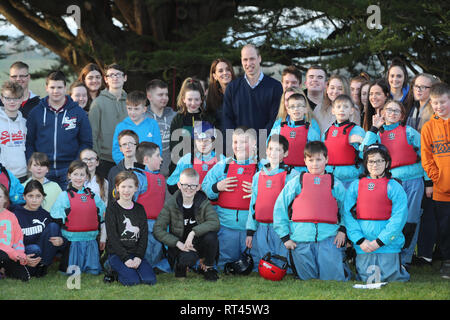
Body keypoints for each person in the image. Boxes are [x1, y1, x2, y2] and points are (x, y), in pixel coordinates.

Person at [361, 100, 428, 268]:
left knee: (411, 219)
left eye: (396, 111)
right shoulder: (377, 134)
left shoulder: (409, 132)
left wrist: (428, 181)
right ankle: (391, 254)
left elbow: (426, 155)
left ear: (402, 115)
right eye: (389, 110)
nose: (392, 113)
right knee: (391, 219)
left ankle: (405, 258)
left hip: (412, 181)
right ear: (383, 112)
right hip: (388, 183)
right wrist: (374, 128)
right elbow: (363, 149)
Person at [273, 141, 350, 281]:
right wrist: (285, 237)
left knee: (333, 279)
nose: (315, 164)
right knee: (307, 280)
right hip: (301, 239)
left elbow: (347, 209)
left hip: (328, 238)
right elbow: (280, 207)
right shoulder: (297, 182)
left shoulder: (335, 184)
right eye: (311, 160)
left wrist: (343, 230)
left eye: (319, 159)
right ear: (305, 161)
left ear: (326, 160)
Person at [343, 144, 410, 283]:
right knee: (367, 278)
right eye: (371, 161)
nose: (375, 165)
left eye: (380, 161)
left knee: (392, 278)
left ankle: (400, 266)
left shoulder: (394, 187)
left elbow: (399, 218)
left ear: (387, 163)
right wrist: (360, 240)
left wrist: (380, 241)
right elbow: (347, 214)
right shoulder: (356, 186)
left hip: (387, 244)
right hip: (364, 245)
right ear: (366, 163)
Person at [202, 127, 261, 270]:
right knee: (225, 264)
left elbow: (275, 194)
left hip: (253, 228)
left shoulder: (262, 167)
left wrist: (258, 192)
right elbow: (205, 187)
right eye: (235, 142)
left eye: (244, 142)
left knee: (254, 266)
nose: (239, 146)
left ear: (254, 144)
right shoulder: (222, 166)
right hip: (226, 227)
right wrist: (217, 187)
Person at [25, 70, 93, 190]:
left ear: (65, 88)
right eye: (52, 87)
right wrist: (34, 165)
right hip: (43, 170)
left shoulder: (78, 113)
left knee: (68, 206)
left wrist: (76, 165)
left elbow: (86, 142)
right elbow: (29, 142)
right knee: (42, 206)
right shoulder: (36, 112)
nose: (56, 91)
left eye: (59, 87)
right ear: (46, 88)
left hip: (68, 171)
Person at [154, 168, 220, 281]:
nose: (188, 189)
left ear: (198, 187)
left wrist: (193, 232)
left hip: (198, 242)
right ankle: (181, 266)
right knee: (187, 259)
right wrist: (177, 243)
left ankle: (208, 267)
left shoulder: (203, 202)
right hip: (182, 245)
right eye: (185, 185)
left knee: (211, 237)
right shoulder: (171, 204)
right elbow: (158, 229)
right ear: (179, 185)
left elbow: (215, 222)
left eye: (193, 186)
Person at [246, 134, 299, 267]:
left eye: (278, 150)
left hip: (282, 226)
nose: (273, 153)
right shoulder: (258, 175)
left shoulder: (292, 175)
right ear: (266, 151)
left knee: (281, 262)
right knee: (263, 261)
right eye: (271, 149)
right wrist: (250, 231)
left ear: (285, 153)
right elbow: (253, 204)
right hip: (262, 226)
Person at [50, 160, 106, 275]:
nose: (79, 178)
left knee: (93, 272)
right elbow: (55, 213)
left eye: (82, 175)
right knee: (70, 271)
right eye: (75, 174)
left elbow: (102, 212)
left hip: (90, 238)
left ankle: (91, 265)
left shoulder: (92, 196)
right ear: (69, 175)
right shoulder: (64, 195)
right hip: (72, 239)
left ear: (87, 177)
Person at [105, 170, 157, 286]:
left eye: (130, 187)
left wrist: (138, 257)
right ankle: (111, 268)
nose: (126, 190)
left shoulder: (139, 209)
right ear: (117, 188)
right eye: (123, 186)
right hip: (117, 254)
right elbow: (113, 238)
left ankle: (134, 267)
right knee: (131, 281)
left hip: (135, 253)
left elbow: (143, 235)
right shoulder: (112, 209)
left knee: (150, 280)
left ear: (136, 188)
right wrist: (125, 259)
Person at [222, 44, 283, 141]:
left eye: (252, 59)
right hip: (239, 148)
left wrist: (258, 143)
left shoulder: (275, 87)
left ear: (259, 58)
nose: (248, 63)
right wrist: (238, 143)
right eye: (245, 60)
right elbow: (227, 119)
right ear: (241, 61)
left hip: (266, 148)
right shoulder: (232, 88)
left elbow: (275, 119)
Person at [421, 82, 450, 279]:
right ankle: (447, 261)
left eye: (443, 102)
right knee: (445, 228)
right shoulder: (428, 128)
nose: (439, 106)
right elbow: (426, 157)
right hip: (442, 189)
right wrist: (437, 177)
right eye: (435, 103)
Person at [131, 142, 170, 273]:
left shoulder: (160, 178)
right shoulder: (137, 177)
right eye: (158, 156)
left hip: (158, 226)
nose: (162, 159)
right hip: (141, 226)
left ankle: (157, 266)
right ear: (146, 159)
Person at [12, 180, 64, 277]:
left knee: (54, 226)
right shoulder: (15, 214)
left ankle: (42, 265)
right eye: (30, 196)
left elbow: (58, 241)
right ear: (24, 197)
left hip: (42, 252)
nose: (34, 200)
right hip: (25, 252)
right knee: (34, 249)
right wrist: (22, 256)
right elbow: (10, 241)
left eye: (38, 196)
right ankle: (28, 268)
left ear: (43, 197)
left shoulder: (46, 215)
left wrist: (61, 241)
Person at [89, 63, 128, 178]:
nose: (115, 78)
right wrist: (95, 159)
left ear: (125, 78)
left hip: (128, 158)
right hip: (105, 160)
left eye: (118, 75)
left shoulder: (131, 102)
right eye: (111, 75)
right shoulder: (98, 103)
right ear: (106, 79)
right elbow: (93, 134)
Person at [169, 77, 215, 175]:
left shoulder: (208, 118)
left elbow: (213, 144)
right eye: (189, 99)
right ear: (183, 99)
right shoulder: (178, 119)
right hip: (184, 169)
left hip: (204, 168)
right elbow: (174, 148)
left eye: (197, 99)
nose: (193, 103)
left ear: (202, 99)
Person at [269, 89, 320, 173]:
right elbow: (269, 148)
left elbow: (317, 152)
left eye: (299, 105)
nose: (296, 109)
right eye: (292, 106)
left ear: (305, 109)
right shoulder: (278, 127)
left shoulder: (311, 129)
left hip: (303, 171)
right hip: (281, 170)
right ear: (288, 109)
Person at [167, 121, 224, 194]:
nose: (203, 144)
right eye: (199, 140)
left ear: (213, 141)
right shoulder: (187, 159)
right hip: (193, 201)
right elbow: (171, 185)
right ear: (194, 141)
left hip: (215, 202)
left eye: (207, 140)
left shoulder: (221, 159)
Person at [322, 94, 365, 188]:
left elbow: (365, 153)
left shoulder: (356, 130)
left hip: (351, 177)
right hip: (331, 177)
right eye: (338, 107)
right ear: (333, 110)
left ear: (351, 110)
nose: (342, 109)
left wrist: (361, 142)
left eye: (346, 107)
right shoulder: (327, 131)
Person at [112, 90, 162, 165]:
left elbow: (158, 148)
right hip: (127, 169)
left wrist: (150, 165)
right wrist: (127, 164)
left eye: (136, 109)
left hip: (148, 168)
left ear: (144, 109)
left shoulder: (152, 124)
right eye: (129, 108)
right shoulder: (121, 126)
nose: (132, 112)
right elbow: (116, 150)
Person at [80, 148, 109, 253]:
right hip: (78, 226)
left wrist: (103, 236)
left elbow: (105, 211)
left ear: (97, 162)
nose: (89, 161)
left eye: (92, 158)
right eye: (85, 159)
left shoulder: (103, 183)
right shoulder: (74, 181)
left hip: (96, 225)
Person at [146, 79, 176, 177]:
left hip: (170, 175)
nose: (164, 98)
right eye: (160, 95)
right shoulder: (142, 118)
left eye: (166, 94)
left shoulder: (174, 116)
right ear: (149, 96)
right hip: (147, 174)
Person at [0, 184, 29, 281]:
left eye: (0, 196)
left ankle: (4, 270)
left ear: (5, 199)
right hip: (6, 253)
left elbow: (18, 238)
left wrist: (20, 254)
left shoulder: (11, 216)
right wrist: (13, 253)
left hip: (10, 255)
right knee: (2, 255)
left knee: (24, 277)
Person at [0, 81, 27, 182]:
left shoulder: (25, 123)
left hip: (23, 175)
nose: (12, 102)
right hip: (2, 174)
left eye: (15, 98)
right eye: (8, 98)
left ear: (21, 99)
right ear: (2, 99)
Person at [205, 58, 236, 132]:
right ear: (215, 76)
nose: (225, 73)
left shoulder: (242, 93)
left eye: (228, 69)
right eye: (220, 71)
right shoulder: (211, 98)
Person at [107, 130, 139, 201]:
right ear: (120, 149)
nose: (128, 147)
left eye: (130, 143)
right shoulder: (114, 171)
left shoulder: (144, 171)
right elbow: (111, 197)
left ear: (137, 146)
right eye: (124, 144)